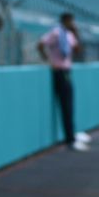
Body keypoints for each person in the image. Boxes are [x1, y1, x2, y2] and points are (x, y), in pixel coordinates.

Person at [38, 12, 87, 151]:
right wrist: (47, 59)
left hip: (66, 71)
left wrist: (76, 33)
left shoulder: (69, 35)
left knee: (69, 105)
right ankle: (69, 139)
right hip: (58, 71)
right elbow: (41, 44)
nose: (73, 24)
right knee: (66, 105)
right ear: (65, 20)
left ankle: (70, 136)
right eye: (71, 21)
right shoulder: (56, 33)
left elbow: (77, 50)